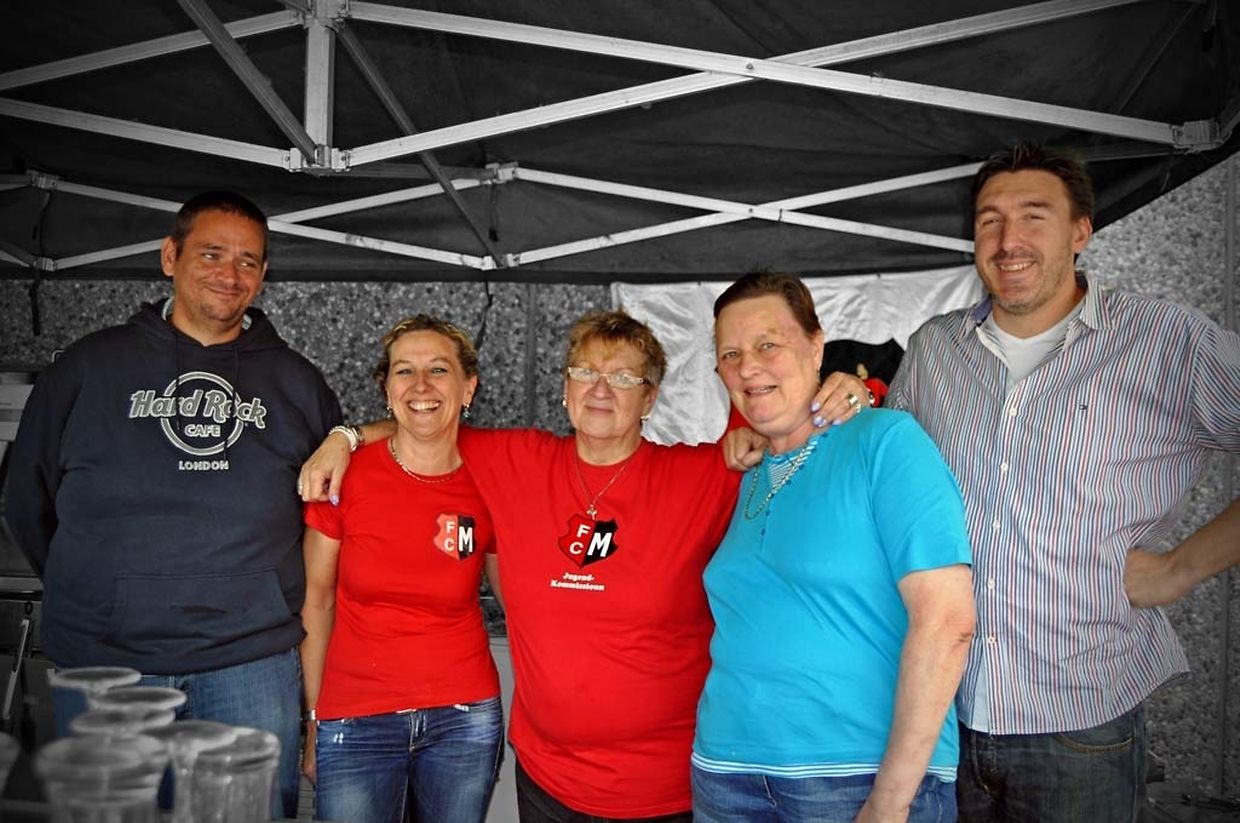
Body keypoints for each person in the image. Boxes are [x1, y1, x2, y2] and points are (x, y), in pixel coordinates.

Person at [299, 309, 868, 821]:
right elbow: (425, 420)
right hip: (548, 784)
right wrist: (344, 438)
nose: (601, 389)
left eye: (624, 378)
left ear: (650, 399)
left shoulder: (702, 473)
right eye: (586, 372)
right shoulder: (516, 459)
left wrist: (855, 391)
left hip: (661, 790)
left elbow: (791, 436)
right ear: (565, 389)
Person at [883, 142, 1240, 822]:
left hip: (1080, 724)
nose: (1008, 240)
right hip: (942, 712)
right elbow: (884, 480)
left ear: (1081, 231)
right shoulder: (935, 348)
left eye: (1033, 215)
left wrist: (1180, 569)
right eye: (989, 220)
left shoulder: (1165, 339)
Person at [3, 190, 341, 818]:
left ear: (264, 274)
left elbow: (329, 511)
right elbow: (26, 499)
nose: (230, 274)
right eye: (211, 254)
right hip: (108, 665)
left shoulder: (298, 383)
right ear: (169, 256)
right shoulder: (86, 369)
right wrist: (100, 588)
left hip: (251, 662)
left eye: (248, 261)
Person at [693, 272, 975, 823]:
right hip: (726, 772)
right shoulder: (750, 470)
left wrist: (892, 800)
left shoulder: (886, 441)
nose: (748, 367)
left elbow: (948, 622)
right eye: (730, 354)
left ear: (816, 346)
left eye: (768, 345)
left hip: (855, 776)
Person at [300, 314, 503, 823]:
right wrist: (314, 718)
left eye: (439, 369)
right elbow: (316, 602)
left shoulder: (495, 479)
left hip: (463, 718)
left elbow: (517, 602)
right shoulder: (344, 475)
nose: (421, 385)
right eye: (404, 371)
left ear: (468, 387)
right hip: (355, 716)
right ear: (387, 389)